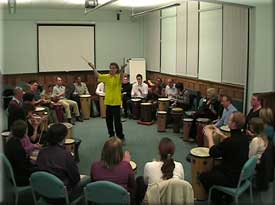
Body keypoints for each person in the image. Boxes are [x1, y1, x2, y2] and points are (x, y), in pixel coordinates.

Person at [199, 112, 249, 204]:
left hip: (232, 179)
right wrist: (221, 134)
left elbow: (213, 152)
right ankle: (226, 196)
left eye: (230, 120)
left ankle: (218, 201)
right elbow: (232, 142)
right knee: (215, 168)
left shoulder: (230, 142)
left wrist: (209, 136)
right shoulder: (245, 138)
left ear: (233, 124)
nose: (228, 122)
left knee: (203, 176)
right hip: (241, 175)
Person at [37, 123, 89, 202]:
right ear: (64, 137)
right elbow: (76, 178)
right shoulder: (66, 155)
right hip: (62, 195)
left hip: (44, 191)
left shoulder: (42, 152)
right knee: (88, 179)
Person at [89, 62, 126, 141]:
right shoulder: (107, 77)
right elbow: (97, 75)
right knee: (108, 121)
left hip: (116, 103)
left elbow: (121, 77)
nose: (112, 69)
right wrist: (93, 67)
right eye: (110, 68)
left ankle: (120, 137)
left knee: (117, 122)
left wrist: (122, 69)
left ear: (116, 69)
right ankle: (111, 135)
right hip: (108, 102)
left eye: (113, 68)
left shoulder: (118, 77)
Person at [5, 120, 36, 186]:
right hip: (20, 177)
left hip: (14, 173)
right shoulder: (18, 148)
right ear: (24, 132)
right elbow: (24, 168)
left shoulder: (10, 141)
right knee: (43, 170)